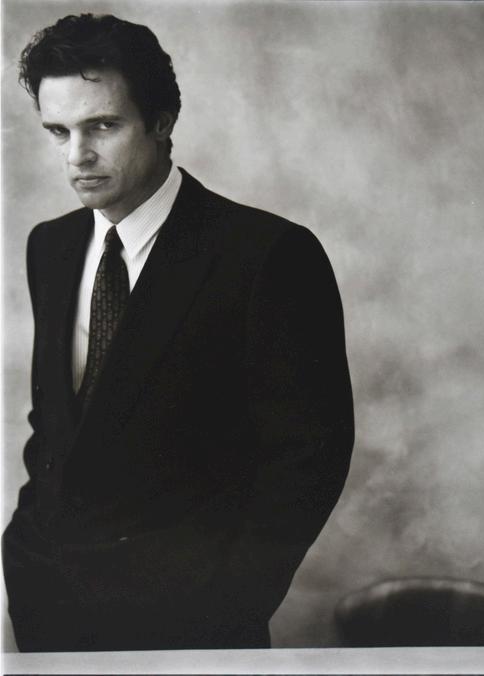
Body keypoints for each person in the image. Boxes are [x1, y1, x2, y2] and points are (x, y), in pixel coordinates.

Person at [2, 13, 354, 652]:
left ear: (162, 121)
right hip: (46, 608)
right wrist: (23, 555)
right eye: (59, 131)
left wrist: (227, 602)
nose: (77, 156)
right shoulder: (49, 246)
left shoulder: (268, 254)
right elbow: (57, 425)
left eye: (102, 126)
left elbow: (310, 456)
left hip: (190, 628)